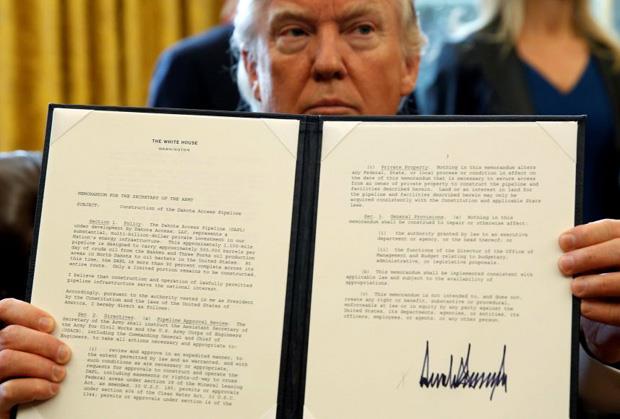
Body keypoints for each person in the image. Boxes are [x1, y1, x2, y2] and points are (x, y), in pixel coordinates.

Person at [1, 0, 619, 416]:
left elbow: (554, 388)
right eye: (294, 32)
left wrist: (603, 350)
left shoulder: (499, 210)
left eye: (361, 30)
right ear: (250, 67)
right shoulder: (135, 215)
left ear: (410, 65)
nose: (327, 63)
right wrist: (21, 383)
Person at [420, 0, 620, 224]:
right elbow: (445, 179)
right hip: (503, 239)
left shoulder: (611, 61)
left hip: (602, 244)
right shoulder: (465, 60)